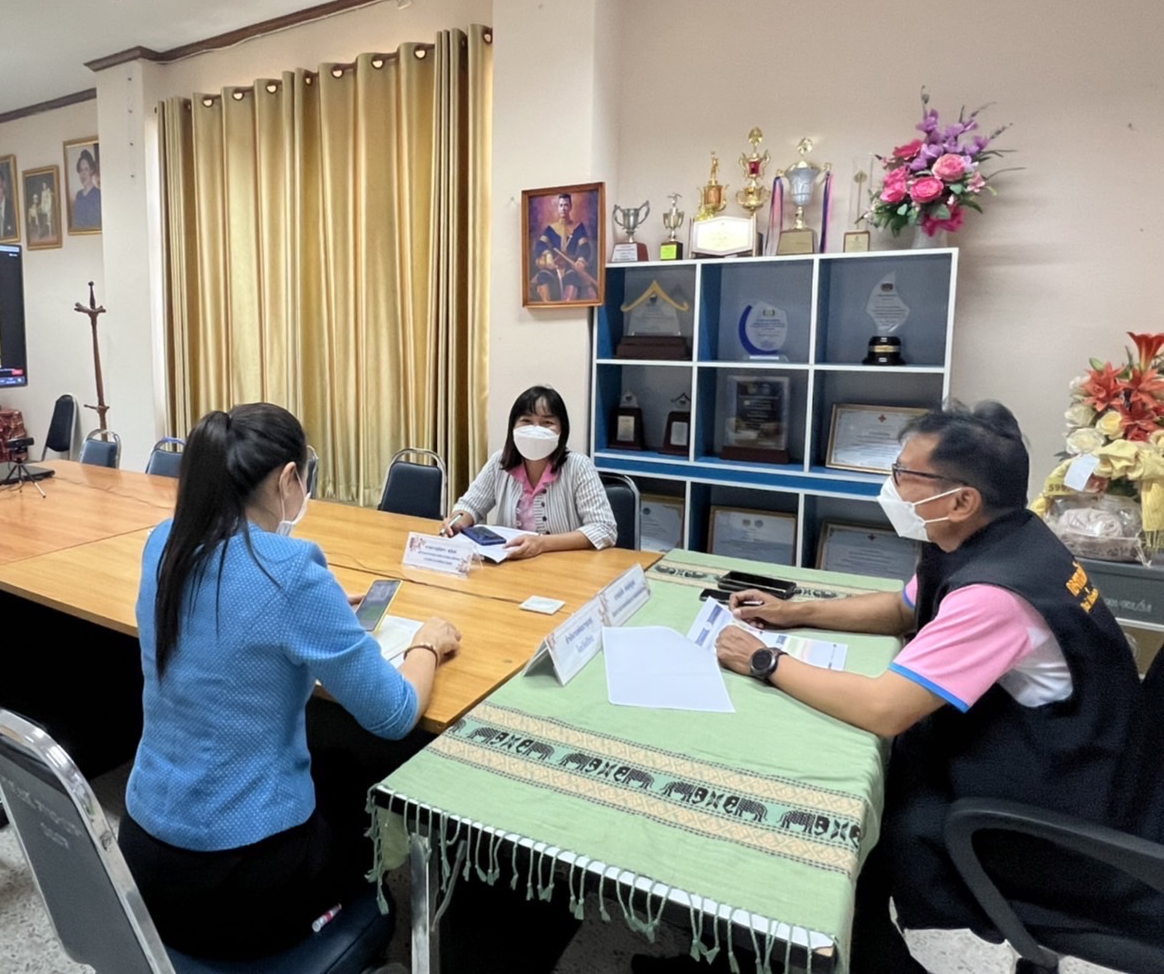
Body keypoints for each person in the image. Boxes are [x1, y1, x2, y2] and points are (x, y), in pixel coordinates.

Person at [635, 401, 1153, 974]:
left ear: (961, 501)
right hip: (1076, 761)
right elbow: (905, 608)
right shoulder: (1000, 538)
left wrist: (762, 660)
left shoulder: (995, 597)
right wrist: (794, 611)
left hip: (1055, 809)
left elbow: (885, 710)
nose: (892, 486)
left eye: (905, 474)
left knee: (823, 811)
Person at [120, 403, 462, 961]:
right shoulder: (293, 571)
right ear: (287, 479)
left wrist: (321, 608)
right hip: (236, 884)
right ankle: (353, 930)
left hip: (143, 858)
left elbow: (231, 608)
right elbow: (395, 713)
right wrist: (427, 643)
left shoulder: (164, 541)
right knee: (358, 788)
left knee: (333, 768)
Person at [443, 385, 616, 557]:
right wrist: (458, 521)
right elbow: (470, 505)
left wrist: (542, 544)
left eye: (547, 423)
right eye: (526, 421)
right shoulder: (499, 462)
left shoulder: (578, 466)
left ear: (562, 430)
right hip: (509, 563)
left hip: (564, 565)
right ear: (513, 427)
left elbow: (604, 528)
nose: (535, 429)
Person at [72, 147, 101, 230]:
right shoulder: (78, 195)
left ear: (91, 171)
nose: (83, 174)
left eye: (86, 169)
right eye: (81, 170)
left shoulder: (98, 194)